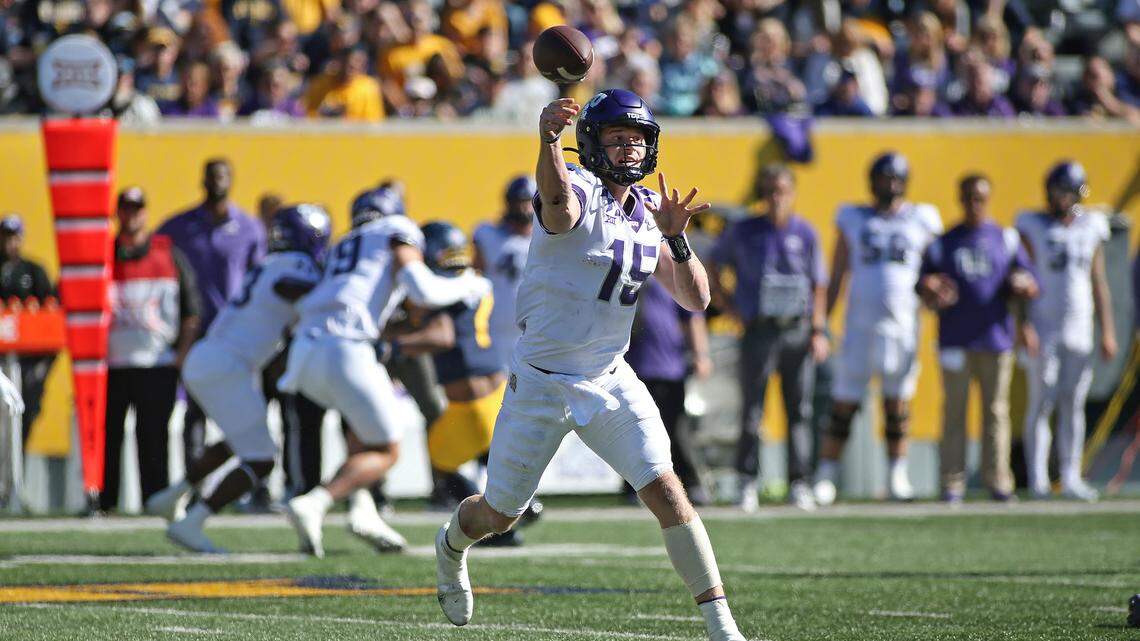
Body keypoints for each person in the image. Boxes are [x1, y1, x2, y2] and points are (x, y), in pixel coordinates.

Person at [434, 89, 747, 641]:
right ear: (592, 144)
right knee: (500, 513)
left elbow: (697, 300)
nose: (630, 150)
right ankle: (450, 546)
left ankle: (723, 629)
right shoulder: (573, 184)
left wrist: (676, 239)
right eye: (617, 139)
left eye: (637, 139)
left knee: (667, 489)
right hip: (540, 382)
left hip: (609, 375)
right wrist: (548, 141)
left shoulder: (652, 210)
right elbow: (558, 208)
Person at [277, 199, 490, 559]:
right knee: (387, 449)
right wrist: (469, 284)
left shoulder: (346, 242)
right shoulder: (397, 230)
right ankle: (316, 501)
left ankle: (364, 510)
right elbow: (425, 290)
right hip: (346, 347)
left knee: (363, 433)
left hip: (305, 349)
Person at [146, 205, 330, 552]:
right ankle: (193, 521)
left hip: (212, 359)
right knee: (261, 458)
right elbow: (290, 288)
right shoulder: (297, 265)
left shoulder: (268, 262)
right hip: (226, 366)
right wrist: (326, 292)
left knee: (240, 440)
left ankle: (172, 496)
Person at [812, 152, 943, 506]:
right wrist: (822, 321)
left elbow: (934, 271)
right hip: (859, 325)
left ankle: (896, 476)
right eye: (884, 178)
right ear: (872, 182)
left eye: (895, 178)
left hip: (903, 326)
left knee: (897, 403)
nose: (890, 185)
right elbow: (838, 273)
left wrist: (935, 293)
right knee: (844, 402)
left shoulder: (922, 219)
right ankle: (827, 473)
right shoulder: (853, 217)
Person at [708, 164, 829, 512]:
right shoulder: (744, 231)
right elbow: (713, 265)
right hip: (758, 329)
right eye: (770, 191)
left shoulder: (805, 232)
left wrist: (818, 330)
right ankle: (748, 481)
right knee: (752, 409)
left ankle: (800, 481)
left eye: (782, 191)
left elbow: (818, 283)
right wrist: (728, 307)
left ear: (792, 194)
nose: (776, 198)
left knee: (800, 409)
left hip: (796, 329)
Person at [917, 174, 1037, 504]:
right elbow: (922, 285)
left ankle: (998, 480)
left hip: (996, 338)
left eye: (980, 198)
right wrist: (931, 288)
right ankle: (952, 481)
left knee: (996, 413)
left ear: (988, 199)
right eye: (969, 197)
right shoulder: (945, 242)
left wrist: (1023, 301)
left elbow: (1029, 283)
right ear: (960, 198)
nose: (974, 204)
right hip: (955, 338)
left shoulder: (1006, 239)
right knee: (954, 413)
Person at [1015, 161, 1116, 502]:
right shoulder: (1033, 225)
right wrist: (1024, 323)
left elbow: (1097, 280)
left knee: (1073, 404)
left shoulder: (1091, 226)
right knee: (1041, 403)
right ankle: (1039, 479)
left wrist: (1108, 331)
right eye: (1061, 190)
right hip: (1044, 326)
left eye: (1070, 191)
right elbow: (1024, 279)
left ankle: (1071, 475)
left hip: (1080, 327)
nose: (1065, 197)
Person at [158, 158, 267, 470]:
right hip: (196, 331)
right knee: (196, 409)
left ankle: (253, 478)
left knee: (245, 407)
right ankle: (195, 479)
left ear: (232, 181)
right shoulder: (180, 227)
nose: (218, 182)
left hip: (236, 331)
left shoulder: (248, 227)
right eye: (212, 177)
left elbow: (258, 278)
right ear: (203, 181)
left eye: (223, 176)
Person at [103, 187, 200, 513]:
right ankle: (104, 503)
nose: (132, 215)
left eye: (137, 208)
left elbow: (191, 310)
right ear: (118, 212)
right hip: (111, 365)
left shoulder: (167, 253)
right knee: (108, 438)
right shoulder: (102, 255)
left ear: (145, 212)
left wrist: (180, 355)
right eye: (126, 208)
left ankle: (155, 500)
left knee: (153, 438)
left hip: (157, 364)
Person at [623, 276, 714, 506]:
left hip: (668, 365)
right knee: (632, 429)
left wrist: (700, 354)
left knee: (676, 429)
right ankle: (633, 487)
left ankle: (690, 483)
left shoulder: (669, 269)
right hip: (632, 363)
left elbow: (693, 315)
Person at [0, 213, 55, 445]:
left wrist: (42, 368)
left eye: (14, 237)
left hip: (27, 363)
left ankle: (17, 476)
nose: (10, 243)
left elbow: (52, 320)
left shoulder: (34, 271)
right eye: (5, 237)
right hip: (2, 360)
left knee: (23, 417)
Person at [472, 175, 535, 366]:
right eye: (519, 202)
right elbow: (476, 273)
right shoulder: (488, 235)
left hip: (535, 329)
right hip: (497, 327)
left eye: (528, 202)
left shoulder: (548, 239)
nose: (524, 208)